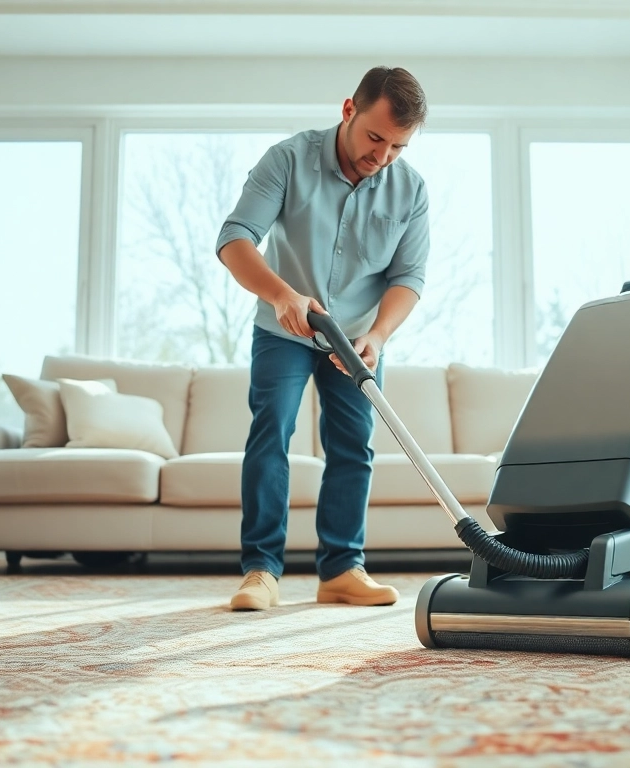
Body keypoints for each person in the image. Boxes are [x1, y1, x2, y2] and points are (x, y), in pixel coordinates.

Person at [214, 67, 430, 611]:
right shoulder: (288, 159)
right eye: (375, 138)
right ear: (348, 111)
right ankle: (260, 571)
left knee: (354, 447)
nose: (382, 157)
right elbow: (235, 239)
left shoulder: (411, 190)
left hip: (356, 340)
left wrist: (378, 335)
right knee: (272, 434)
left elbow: (409, 279)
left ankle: (341, 570)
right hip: (284, 329)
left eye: (398, 147)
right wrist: (282, 295)